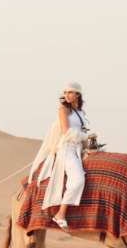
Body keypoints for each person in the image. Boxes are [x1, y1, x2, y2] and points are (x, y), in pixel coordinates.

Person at [26, 81, 94, 230]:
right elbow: (66, 131)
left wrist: (88, 142)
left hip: (78, 149)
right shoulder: (63, 110)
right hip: (67, 149)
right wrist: (85, 137)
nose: (67, 95)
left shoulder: (81, 113)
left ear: (77, 94)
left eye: (70, 92)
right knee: (77, 180)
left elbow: (80, 133)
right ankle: (60, 214)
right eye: (65, 92)